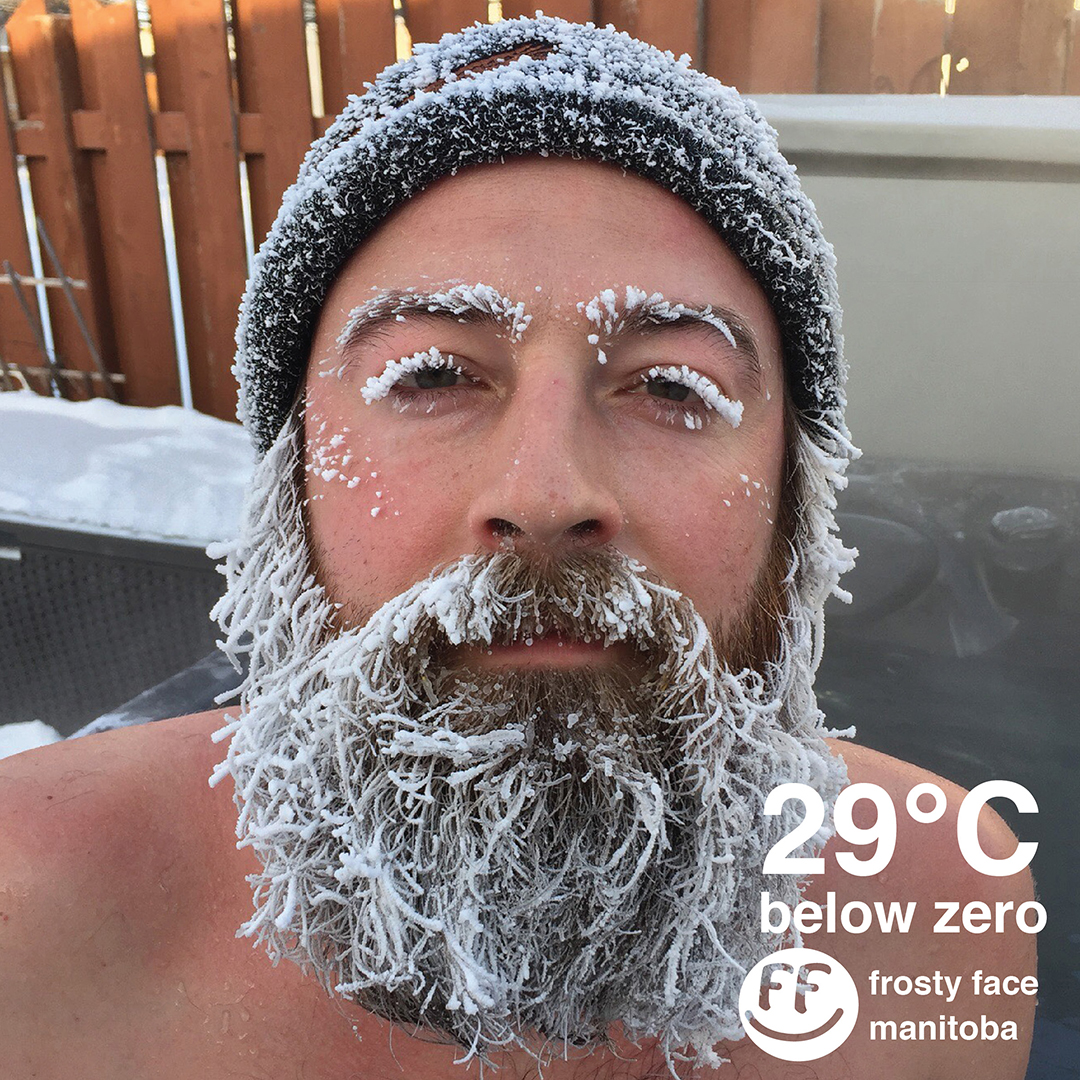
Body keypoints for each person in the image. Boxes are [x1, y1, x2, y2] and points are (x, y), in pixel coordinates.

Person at [0, 16, 1036, 1079]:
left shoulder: (941, 904)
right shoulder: (29, 910)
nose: (547, 494)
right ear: (290, 485)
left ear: (794, 505)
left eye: (675, 387)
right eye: (433, 376)